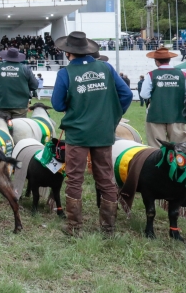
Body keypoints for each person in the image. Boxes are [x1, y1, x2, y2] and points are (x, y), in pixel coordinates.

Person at [51, 32, 132, 237]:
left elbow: (57, 104)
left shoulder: (65, 73)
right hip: (103, 131)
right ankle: (108, 228)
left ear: (68, 52)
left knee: (74, 179)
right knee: (106, 178)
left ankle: (74, 227)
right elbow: (127, 94)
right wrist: (113, 116)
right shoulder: (106, 68)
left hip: (77, 133)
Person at [139, 47, 186, 145]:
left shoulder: (151, 75)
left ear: (157, 61)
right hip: (178, 114)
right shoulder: (183, 75)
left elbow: (144, 94)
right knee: (179, 147)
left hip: (156, 114)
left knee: (156, 147)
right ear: (169, 59)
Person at [0, 47, 37, 119]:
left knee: (3, 125)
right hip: (20, 105)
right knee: (19, 125)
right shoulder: (25, 69)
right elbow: (34, 86)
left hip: (3, 103)